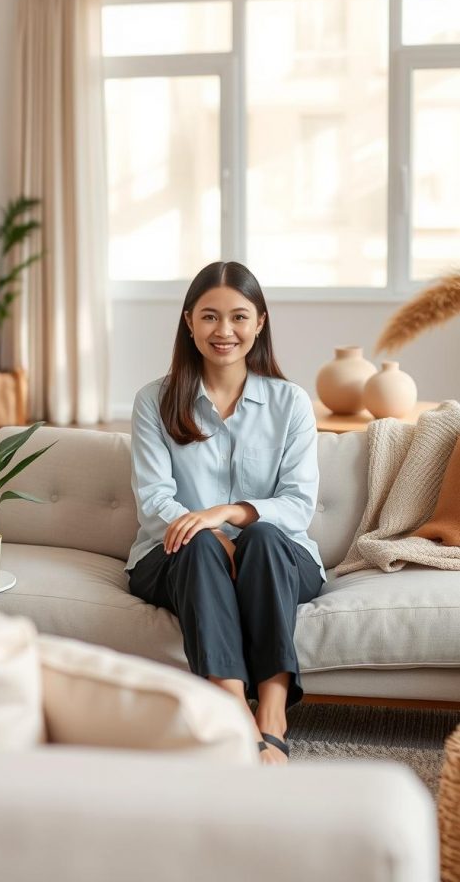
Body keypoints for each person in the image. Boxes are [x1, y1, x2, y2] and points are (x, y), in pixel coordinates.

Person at [126, 261, 325, 764]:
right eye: (210, 317)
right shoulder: (155, 401)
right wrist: (208, 534)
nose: (224, 331)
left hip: (278, 557)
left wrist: (227, 514)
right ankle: (235, 711)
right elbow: (154, 501)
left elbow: (298, 506)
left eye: (239, 317)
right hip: (175, 555)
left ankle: (273, 714)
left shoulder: (291, 403)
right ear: (189, 321)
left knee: (261, 538)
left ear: (259, 322)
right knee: (198, 545)